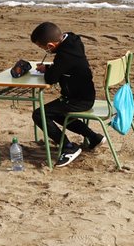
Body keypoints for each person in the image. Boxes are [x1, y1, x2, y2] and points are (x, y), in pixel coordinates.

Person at [28, 21, 102, 167]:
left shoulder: (65, 55)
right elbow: (63, 67)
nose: (44, 50)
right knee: (57, 113)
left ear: (50, 45)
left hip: (79, 99)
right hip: (84, 95)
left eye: (42, 47)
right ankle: (94, 137)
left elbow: (51, 78)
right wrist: (51, 67)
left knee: (39, 114)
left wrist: (46, 70)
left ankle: (68, 148)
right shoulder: (72, 40)